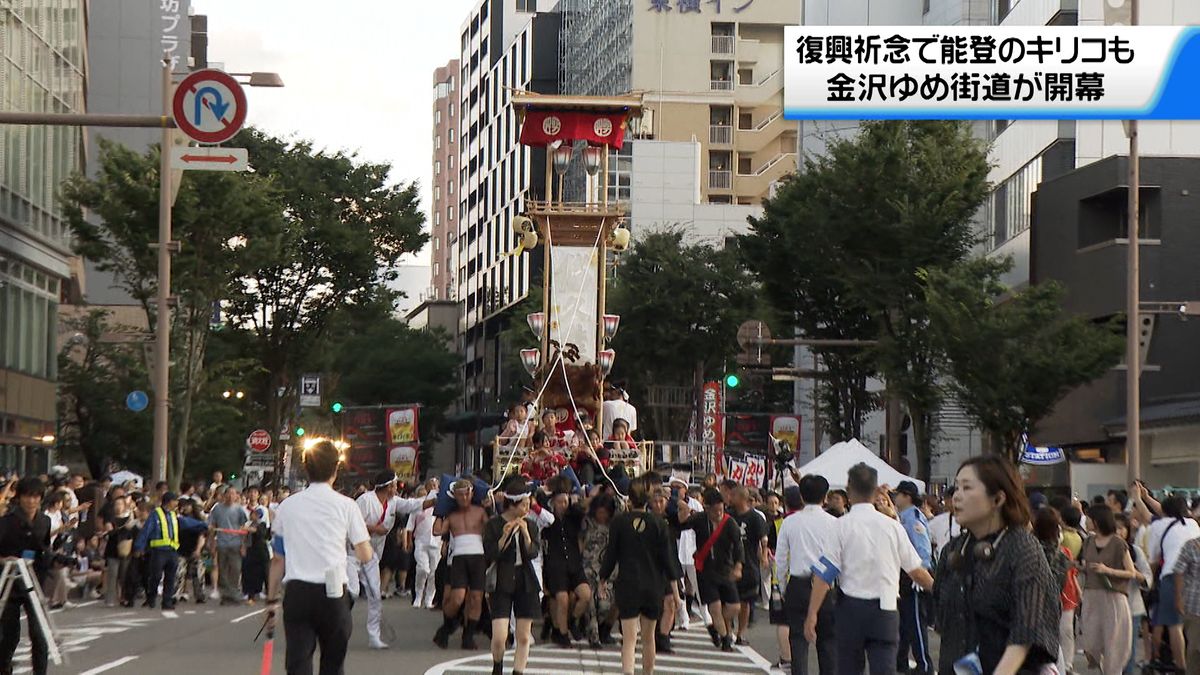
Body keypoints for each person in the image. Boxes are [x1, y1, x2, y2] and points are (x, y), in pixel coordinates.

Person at [932, 456, 1059, 675]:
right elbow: (943, 617)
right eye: (956, 487)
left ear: (998, 499)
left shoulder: (1022, 547)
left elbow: (1026, 631)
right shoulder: (954, 549)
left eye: (967, 487)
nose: (957, 496)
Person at [802, 464, 933, 675]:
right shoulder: (893, 527)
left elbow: (825, 574)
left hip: (850, 609)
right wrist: (940, 590)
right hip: (885, 609)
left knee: (849, 668)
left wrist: (812, 614)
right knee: (884, 668)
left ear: (849, 490)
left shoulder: (841, 526)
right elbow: (916, 571)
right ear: (876, 491)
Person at [265, 440, 372, 675]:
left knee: (298, 660)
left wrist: (271, 601)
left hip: (297, 590)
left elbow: (277, 560)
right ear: (336, 469)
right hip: (333, 591)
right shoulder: (346, 506)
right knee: (333, 662)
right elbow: (365, 554)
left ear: (306, 468)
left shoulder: (287, 506)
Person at [601, 475, 678, 675]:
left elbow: (611, 555)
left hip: (628, 585)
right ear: (648, 499)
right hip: (653, 586)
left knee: (629, 639)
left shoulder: (619, 523)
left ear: (629, 499)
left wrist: (602, 579)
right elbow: (668, 561)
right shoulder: (659, 523)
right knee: (648, 637)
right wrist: (676, 593)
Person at [351, 470, 432, 650]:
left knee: (375, 594)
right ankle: (335, 623)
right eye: (395, 485)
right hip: (353, 551)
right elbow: (351, 522)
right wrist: (373, 528)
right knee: (351, 591)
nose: (397, 488)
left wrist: (434, 501)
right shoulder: (365, 500)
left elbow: (413, 505)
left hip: (372, 555)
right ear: (387, 487)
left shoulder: (394, 502)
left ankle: (374, 636)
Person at [775, 475, 837, 675]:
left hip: (798, 584)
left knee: (798, 641)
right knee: (828, 642)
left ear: (801, 495)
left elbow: (781, 559)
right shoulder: (834, 523)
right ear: (825, 496)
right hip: (827, 586)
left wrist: (784, 586)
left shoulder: (789, 522)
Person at [674, 486, 744, 652]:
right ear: (706, 508)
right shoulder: (699, 519)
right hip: (705, 572)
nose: (719, 514)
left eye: (721, 509)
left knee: (734, 607)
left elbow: (739, 546)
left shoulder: (730, 523)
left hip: (726, 570)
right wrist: (682, 509)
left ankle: (715, 625)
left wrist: (738, 566)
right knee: (714, 607)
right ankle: (726, 639)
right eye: (715, 511)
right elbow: (681, 525)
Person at [483, 477, 541, 675]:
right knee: (499, 635)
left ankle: (518, 671)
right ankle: (497, 665)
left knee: (524, 636)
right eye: (524, 504)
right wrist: (504, 537)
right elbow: (490, 553)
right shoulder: (494, 524)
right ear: (513, 504)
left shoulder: (531, 525)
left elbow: (533, 553)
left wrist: (525, 535)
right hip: (502, 578)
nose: (527, 508)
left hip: (525, 579)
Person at [0, 478, 52, 675]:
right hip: (9, 582)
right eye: (27, 496)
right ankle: (4, 668)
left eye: (36, 496)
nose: (31, 501)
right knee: (9, 636)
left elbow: (45, 548)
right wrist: (4, 560)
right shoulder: (6, 522)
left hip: (34, 579)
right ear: (19, 497)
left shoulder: (44, 521)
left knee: (39, 634)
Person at [1078, 504, 1136, 674]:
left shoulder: (1118, 543)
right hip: (1091, 596)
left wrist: (1107, 570)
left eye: (1089, 519)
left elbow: (1131, 572)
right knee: (1091, 642)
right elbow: (1087, 564)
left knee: (1113, 645)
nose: (1086, 521)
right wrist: (1079, 566)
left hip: (1112, 597)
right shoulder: (1088, 541)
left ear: (1097, 521)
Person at [433, 479, 490, 650]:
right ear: (455, 496)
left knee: (476, 598)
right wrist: (439, 511)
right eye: (460, 494)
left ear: (472, 494)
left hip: (478, 557)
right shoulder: (452, 515)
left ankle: (468, 635)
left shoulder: (480, 511)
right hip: (458, 558)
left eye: (467, 493)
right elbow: (437, 531)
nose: (464, 497)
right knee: (457, 598)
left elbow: (492, 529)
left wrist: (493, 505)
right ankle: (447, 627)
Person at [539, 479, 592, 647]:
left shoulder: (573, 516)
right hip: (555, 564)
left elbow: (584, 509)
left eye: (565, 501)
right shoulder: (547, 518)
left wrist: (576, 502)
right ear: (553, 502)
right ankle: (562, 634)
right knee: (561, 598)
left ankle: (572, 621)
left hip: (573, 563)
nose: (563, 504)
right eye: (560, 501)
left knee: (585, 594)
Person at [133, 492, 206, 613]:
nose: (177, 503)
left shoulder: (173, 515)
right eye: (175, 501)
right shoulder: (155, 514)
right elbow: (146, 530)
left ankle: (167, 601)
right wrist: (139, 547)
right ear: (168, 501)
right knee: (155, 576)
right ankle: (151, 597)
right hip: (158, 551)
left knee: (171, 577)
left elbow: (187, 523)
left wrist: (203, 525)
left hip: (172, 551)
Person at [1149, 496, 1200, 670]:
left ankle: (1182, 666)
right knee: (1193, 625)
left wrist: (1151, 581)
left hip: (1171, 578)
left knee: (1174, 624)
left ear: (1164, 510)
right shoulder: (1192, 524)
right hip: (1194, 578)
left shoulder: (1157, 526)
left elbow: (1153, 559)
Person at [891, 480, 935, 675]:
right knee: (906, 621)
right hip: (906, 574)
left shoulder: (913, 517)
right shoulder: (903, 516)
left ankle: (924, 664)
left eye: (898, 494)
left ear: (907, 496)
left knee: (916, 621)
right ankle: (900, 661)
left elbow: (922, 547)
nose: (895, 497)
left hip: (914, 574)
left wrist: (922, 572)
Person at [1115, 512, 1152, 675]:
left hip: (1132, 607)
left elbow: (1147, 577)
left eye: (1121, 528)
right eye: (1114, 528)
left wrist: (1135, 573)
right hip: (1111, 606)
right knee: (1112, 651)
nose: (1118, 532)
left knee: (1129, 651)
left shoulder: (1135, 551)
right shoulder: (1101, 550)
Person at [731, 486, 768, 646]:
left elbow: (763, 539)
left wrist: (764, 556)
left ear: (742, 498)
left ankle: (741, 633)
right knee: (729, 601)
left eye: (734, 496)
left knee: (745, 602)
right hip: (729, 563)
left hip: (749, 563)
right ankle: (727, 630)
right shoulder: (729, 515)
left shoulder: (755, 517)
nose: (730, 499)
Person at [581, 493, 617, 647]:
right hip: (587, 568)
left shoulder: (614, 525)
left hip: (607, 570)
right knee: (590, 605)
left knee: (604, 605)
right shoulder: (586, 522)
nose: (602, 515)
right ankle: (593, 637)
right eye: (599, 511)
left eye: (605, 512)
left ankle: (602, 630)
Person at [207, 487, 249, 605]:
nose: (231, 496)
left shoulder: (239, 509)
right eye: (228, 494)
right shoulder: (217, 509)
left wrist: (243, 545)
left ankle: (234, 594)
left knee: (235, 570)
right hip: (222, 543)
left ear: (236, 496)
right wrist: (211, 542)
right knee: (222, 570)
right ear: (224, 495)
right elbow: (212, 525)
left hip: (235, 543)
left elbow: (244, 527)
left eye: (233, 494)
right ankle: (226, 595)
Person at [1172, 535, 1200, 675]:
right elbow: (1178, 571)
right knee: (1195, 650)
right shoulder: (1191, 545)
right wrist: (1178, 598)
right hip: (1195, 606)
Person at [409, 490, 442, 609]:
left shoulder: (441, 510)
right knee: (423, 569)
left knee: (433, 572)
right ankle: (418, 596)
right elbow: (410, 526)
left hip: (436, 543)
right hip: (420, 541)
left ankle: (429, 599)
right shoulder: (419, 508)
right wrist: (407, 541)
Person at [927, 487, 961, 563]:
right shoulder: (938, 521)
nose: (945, 502)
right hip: (944, 564)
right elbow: (927, 538)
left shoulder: (972, 519)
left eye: (946, 499)